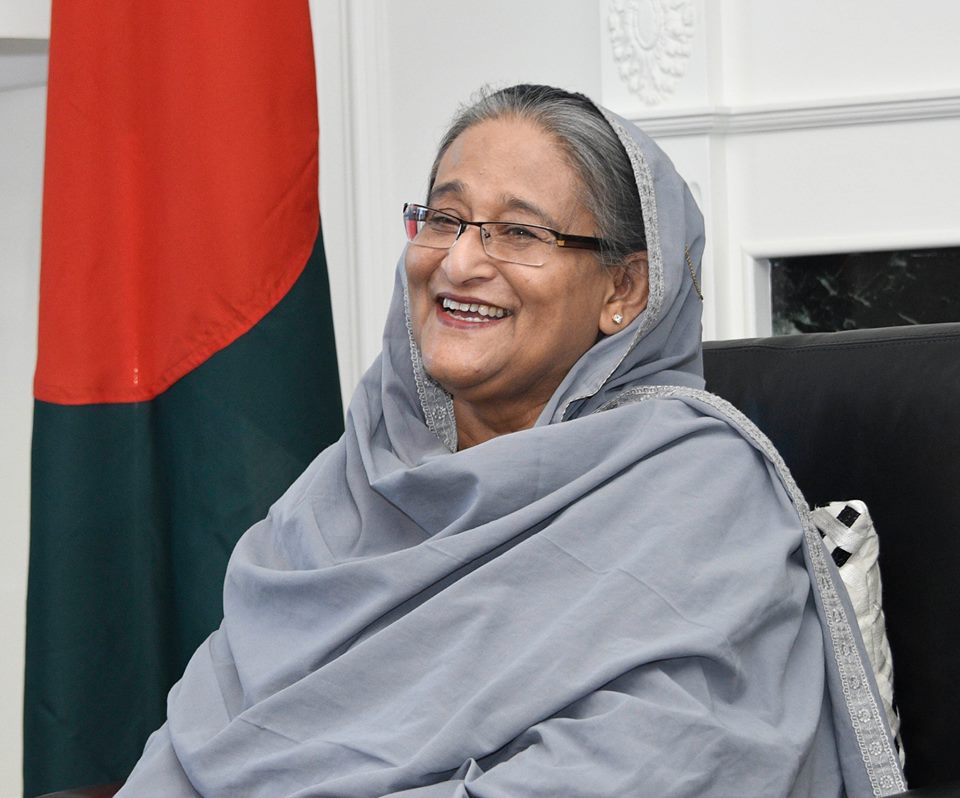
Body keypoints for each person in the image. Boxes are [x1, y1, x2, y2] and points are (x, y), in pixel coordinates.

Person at [117, 84, 905, 797]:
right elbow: (195, 746)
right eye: (445, 220)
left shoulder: (695, 488)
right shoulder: (347, 486)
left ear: (624, 289)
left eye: (519, 232)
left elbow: (661, 762)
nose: (460, 262)